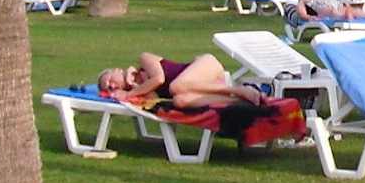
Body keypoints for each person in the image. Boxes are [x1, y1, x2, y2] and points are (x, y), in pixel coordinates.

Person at [95, 53, 276, 111]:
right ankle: (241, 101)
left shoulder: (144, 59)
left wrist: (130, 93)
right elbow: (154, 101)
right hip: (204, 87)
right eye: (109, 88)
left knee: (176, 87)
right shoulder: (141, 90)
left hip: (207, 65)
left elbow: (159, 79)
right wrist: (136, 89)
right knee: (180, 100)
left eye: (109, 80)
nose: (111, 86)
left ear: (117, 70)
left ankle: (239, 90)